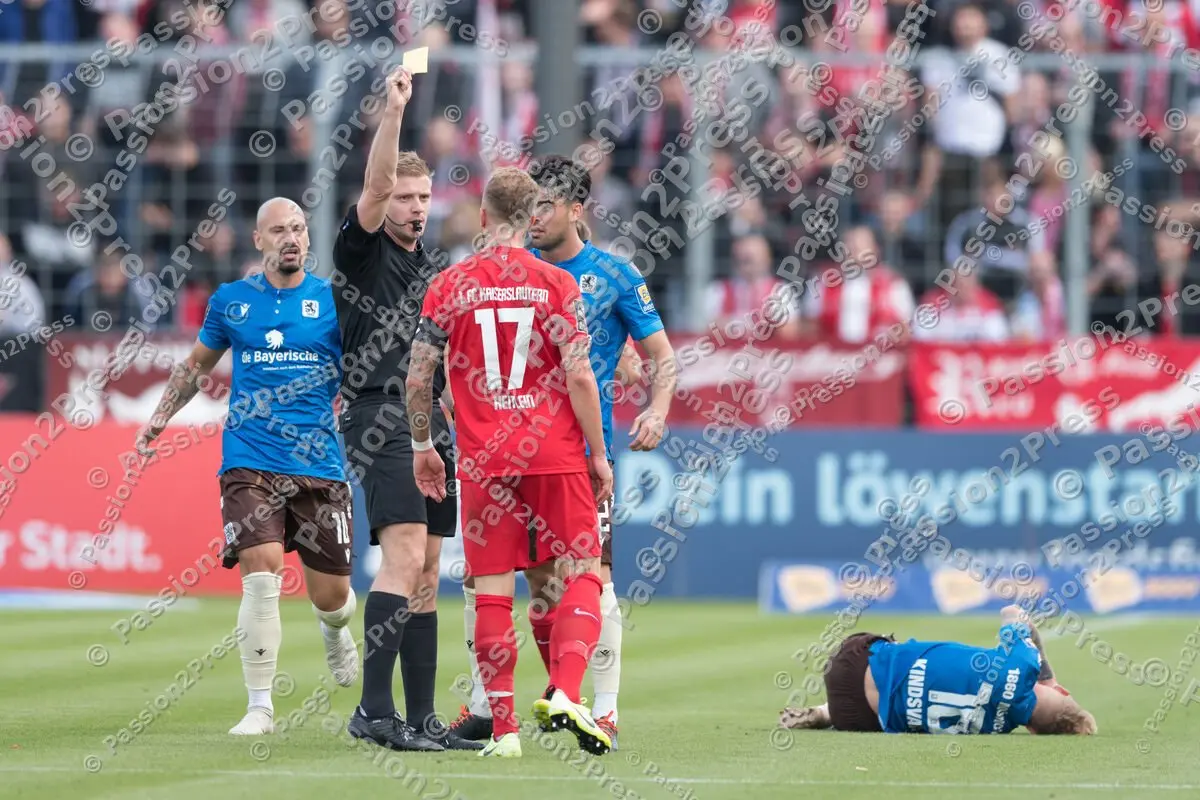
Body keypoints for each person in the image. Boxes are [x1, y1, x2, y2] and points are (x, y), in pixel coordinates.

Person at [449, 156, 677, 751]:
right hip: (509, 453)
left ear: (577, 211)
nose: (538, 214)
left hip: (575, 453)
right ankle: (522, 702)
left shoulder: (612, 275)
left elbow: (662, 354)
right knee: (520, 586)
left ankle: (600, 708)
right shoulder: (513, 274)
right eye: (533, 203)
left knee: (591, 578)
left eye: (549, 204)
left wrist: (656, 407)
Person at [407, 166, 615, 758]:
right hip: (553, 453)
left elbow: (418, 379)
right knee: (583, 572)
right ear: (532, 219)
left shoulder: (449, 285)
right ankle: (568, 693)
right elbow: (579, 374)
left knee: (492, 591)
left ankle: (503, 731)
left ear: (482, 217)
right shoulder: (557, 283)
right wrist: (598, 455)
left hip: (484, 460)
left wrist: (424, 446)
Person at [133, 197, 357, 736]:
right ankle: (260, 706)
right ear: (258, 240)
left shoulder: (333, 301)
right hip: (248, 458)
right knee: (262, 572)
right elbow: (194, 368)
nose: (291, 238)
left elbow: (362, 370)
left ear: (308, 238)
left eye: (299, 229)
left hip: (318, 464)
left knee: (333, 599)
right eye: (279, 230)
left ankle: (334, 628)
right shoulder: (231, 301)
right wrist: (160, 418)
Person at [331, 65, 477, 752]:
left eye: (424, 197)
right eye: (405, 196)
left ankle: (421, 720)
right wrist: (393, 114)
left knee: (427, 571)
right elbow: (375, 184)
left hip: (432, 424)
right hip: (378, 413)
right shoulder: (361, 252)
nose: (415, 206)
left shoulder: (435, 268)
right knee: (405, 554)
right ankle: (372, 711)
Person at [778, 605, 1097, 736]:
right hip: (856, 718)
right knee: (903, 706)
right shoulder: (995, 729)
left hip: (852, 660)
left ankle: (824, 710)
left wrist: (1046, 673)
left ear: (1061, 692)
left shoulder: (1023, 665)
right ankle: (825, 714)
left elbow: (1013, 612)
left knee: (899, 651)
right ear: (1031, 730)